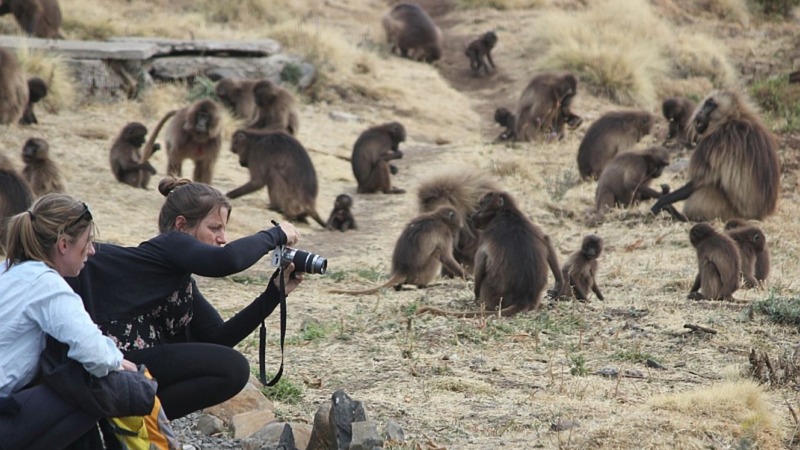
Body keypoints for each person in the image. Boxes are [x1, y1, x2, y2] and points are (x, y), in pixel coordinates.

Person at [68, 177, 302, 420]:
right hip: (108, 358)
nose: (222, 238)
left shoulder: (179, 281)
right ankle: (131, 420)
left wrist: (274, 293)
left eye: (223, 229)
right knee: (232, 367)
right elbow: (226, 261)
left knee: (231, 369)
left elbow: (218, 339)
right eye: (214, 228)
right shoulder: (170, 244)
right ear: (181, 225)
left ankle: (137, 420)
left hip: (126, 363)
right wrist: (274, 235)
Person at [0, 193, 138, 450]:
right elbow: (94, 354)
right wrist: (118, 362)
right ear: (63, 244)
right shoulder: (46, 285)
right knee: (98, 388)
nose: (93, 250)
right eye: (88, 242)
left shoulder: (8, 270)